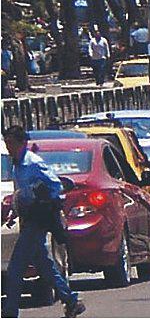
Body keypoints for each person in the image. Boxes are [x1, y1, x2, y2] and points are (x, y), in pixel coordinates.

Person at [2, 125, 85, 318]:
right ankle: (71, 300)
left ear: (22, 143)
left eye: (11, 143)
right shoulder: (17, 163)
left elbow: (56, 186)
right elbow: (23, 192)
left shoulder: (33, 162)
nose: (8, 147)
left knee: (15, 268)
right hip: (28, 218)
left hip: (38, 220)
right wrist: (15, 211)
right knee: (45, 266)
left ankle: (10, 311)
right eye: (6, 143)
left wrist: (43, 201)